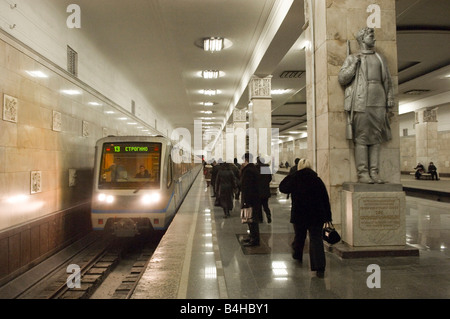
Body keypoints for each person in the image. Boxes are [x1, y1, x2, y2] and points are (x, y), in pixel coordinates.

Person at [339, 27, 394, 184]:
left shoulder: (379, 58)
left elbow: (387, 80)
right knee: (362, 138)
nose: (374, 38)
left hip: (379, 99)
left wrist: (389, 97)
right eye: (371, 36)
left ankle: (374, 172)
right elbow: (343, 78)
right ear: (362, 39)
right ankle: (363, 172)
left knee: (376, 138)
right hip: (361, 100)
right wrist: (353, 65)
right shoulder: (353, 58)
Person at [279, 158, 332, 278]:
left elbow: (282, 187)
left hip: (300, 214)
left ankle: (297, 255)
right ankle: (319, 268)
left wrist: (292, 174)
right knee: (316, 239)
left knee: (300, 236)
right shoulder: (317, 180)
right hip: (317, 215)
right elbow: (325, 199)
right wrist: (328, 216)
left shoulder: (295, 178)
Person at [240, 153, 261, 247]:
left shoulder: (248, 171)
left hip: (250, 200)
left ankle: (255, 240)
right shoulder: (253, 169)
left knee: (252, 220)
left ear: (246, 160)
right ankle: (252, 236)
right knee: (250, 219)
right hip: (254, 199)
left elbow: (247, 187)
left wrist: (246, 202)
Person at [256, 156, 272, 223]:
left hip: (258, 190)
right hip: (265, 189)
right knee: (265, 205)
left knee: (258, 206)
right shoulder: (266, 168)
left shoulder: (256, 168)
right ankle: (268, 215)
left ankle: (260, 219)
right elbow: (269, 178)